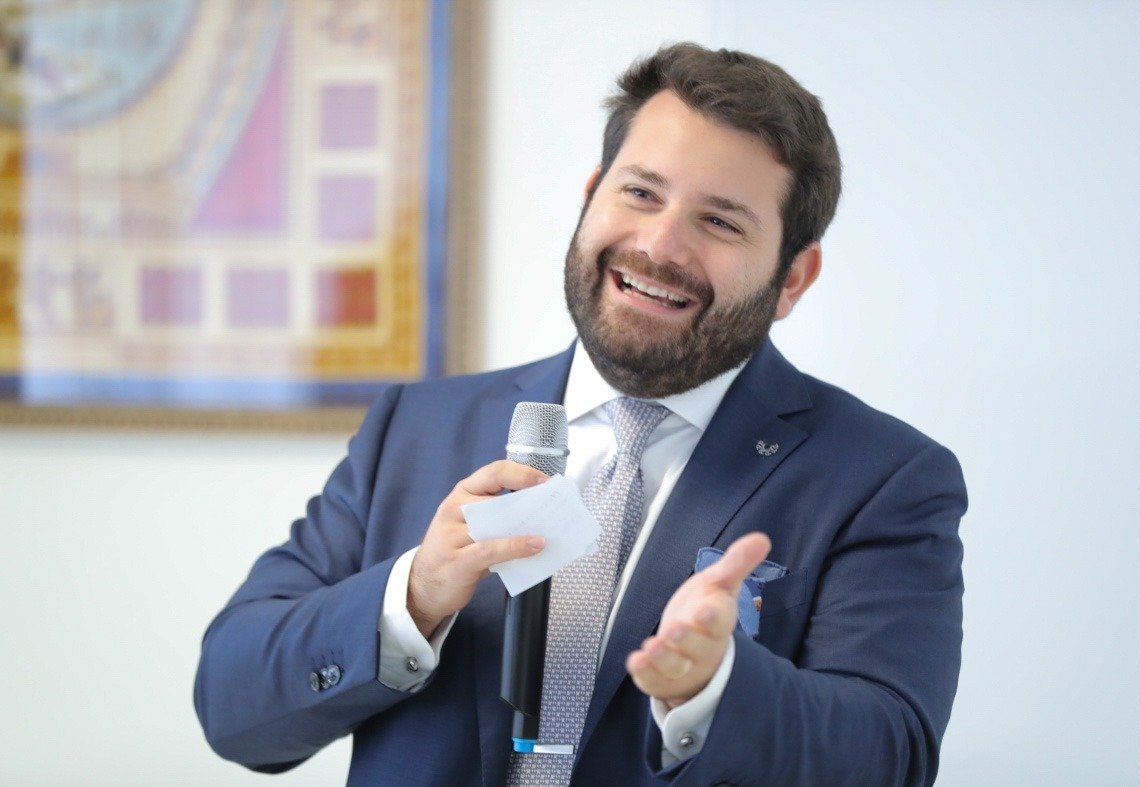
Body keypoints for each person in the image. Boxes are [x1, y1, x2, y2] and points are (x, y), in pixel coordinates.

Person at [195, 43, 966, 786]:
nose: (659, 246)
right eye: (640, 193)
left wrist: (714, 687)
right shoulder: (416, 425)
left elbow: (889, 753)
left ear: (792, 276)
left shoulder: (882, 477)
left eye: (720, 222)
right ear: (591, 195)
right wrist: (413, 597)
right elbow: (231, 704)